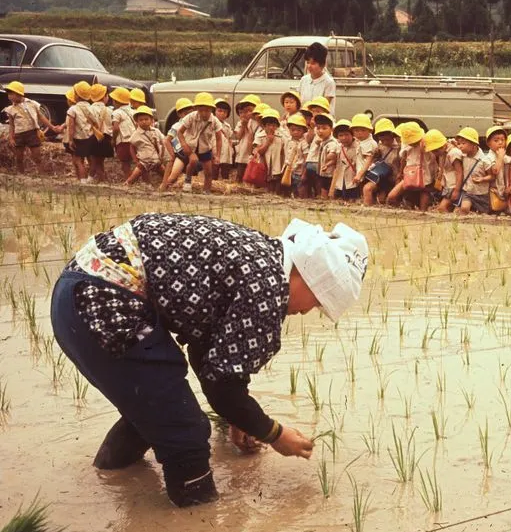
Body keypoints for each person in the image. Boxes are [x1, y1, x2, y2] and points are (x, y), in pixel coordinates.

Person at [49, 213, 368, 507]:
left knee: (157, 408)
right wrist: (274, 434)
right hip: (103, 305)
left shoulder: (260, 256)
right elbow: (222, 386)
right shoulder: (268, 287)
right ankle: (199, 527)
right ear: (307, 276)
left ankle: (110, 476)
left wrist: (238, 417)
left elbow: (210, 354)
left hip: (76, 293)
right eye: (317, 301)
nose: (308, 310)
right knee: (186, 432)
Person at [162, 93, 223, 194]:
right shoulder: (190, 117)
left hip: (205, 148)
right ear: (197, 109)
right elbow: (179, 132)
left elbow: (219, 139)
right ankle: (187, 179)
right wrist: (185, 146)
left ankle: (206, 191)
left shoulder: (214, 121)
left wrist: (218, 156)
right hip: (190, 147)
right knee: (193, 161)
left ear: (212, 109)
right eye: (201, 110)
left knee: (209, 171)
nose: (204, 113)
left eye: (207, 110)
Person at [3, 80, 57, 174]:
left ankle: (41, 174)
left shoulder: (32, 104)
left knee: (37, 156)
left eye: (11, 94)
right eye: (8, 94)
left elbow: (41, 117)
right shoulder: (11, 110)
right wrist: (11, 137)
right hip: (19, 135)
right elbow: (11, 125)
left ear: (18, 94)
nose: (9, 96)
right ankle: (21, 174)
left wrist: (52, 127)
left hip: (32, 133)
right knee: (19, 157)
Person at [454, 127, 495, 215]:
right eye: (459, 143)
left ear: (474, 145)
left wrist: (482, 179)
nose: (460, 146)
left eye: (463, 143)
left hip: (481, 193)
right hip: (468, 191)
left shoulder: (484, 160)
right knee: (464, 208)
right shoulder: (463, 155)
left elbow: (492, 176)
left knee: (483, 215)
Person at [123, 106, 165, 187]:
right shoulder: (136, 134)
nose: (144, 122)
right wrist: (136, 161)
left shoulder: (156, 131)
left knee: (165, 174)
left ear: (151, 120)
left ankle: (167, 184)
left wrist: (162, 156)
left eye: (146, 119)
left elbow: (163, 143)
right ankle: (127, 184)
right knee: (133, 177)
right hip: (144, 161)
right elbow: (132, 147)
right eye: (141, 120)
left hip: (156, 160)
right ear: (137, 121)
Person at [363, 119, 400, 206]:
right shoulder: (379, 147)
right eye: (382, 140)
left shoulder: (399, 147)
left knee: (391, 199)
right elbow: (374, 160)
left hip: (395, 178)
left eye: (387, 139)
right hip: (382, 177)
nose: (385, 142)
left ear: (392, 135)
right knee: (367, 189)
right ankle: (367, 208)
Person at [299, 42, 337, 115]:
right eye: (308, 62)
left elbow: (323, 107)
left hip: (321, 120)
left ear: (322, 64)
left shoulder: (329, 82)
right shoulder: (303, 80)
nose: (309, 66)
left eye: (313, 63)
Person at [110, 87, 137, 177]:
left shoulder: (116, 113)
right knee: (138, 163)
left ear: (116, 101)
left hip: (123, 141)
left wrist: (113, 139)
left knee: (125, 164)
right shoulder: (134, 111)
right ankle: (142, 179)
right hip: (134, 140)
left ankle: (129, 180)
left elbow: (116, 128)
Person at [232, 95, 260, 181]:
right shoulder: (240, 123)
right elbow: (238, 137)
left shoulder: (256, 122)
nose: (245, 114)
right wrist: (243, 126)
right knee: (241, 169)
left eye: (249, 111)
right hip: (243, 150)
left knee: (252, 170)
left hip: (252, 150)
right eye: (242, 112)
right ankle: (239, 181)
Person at [214, 99, 235, 180]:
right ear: (214, 111)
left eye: (225, 112)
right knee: (215, 168)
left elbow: (229, 137)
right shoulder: (212, 123)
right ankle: (214, 181)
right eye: (219, 111)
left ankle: (225, 182)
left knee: (225, 168)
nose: (222, 113)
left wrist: (231, 149)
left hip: (226, 150)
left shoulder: (227, 125)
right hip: (216, 149)